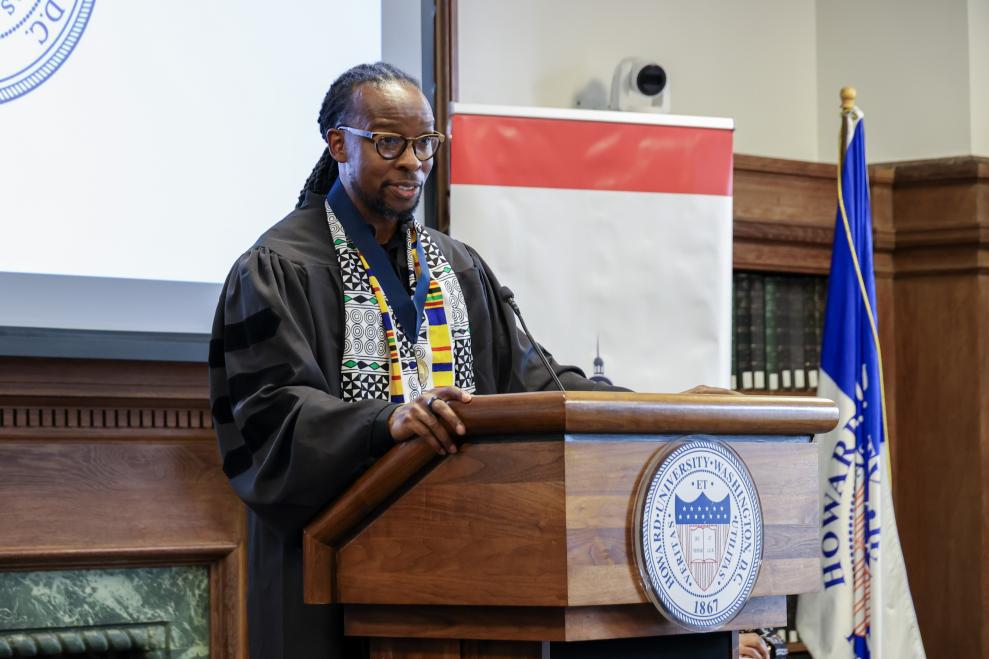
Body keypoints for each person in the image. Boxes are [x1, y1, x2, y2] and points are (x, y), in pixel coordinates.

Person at [208, 62, 621, 659]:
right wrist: (385, 423)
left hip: (470, 560)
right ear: (337, 144)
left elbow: (533, 382)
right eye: (389, 142)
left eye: (425, 143)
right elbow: (271, 414)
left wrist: (649, 408)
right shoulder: (277, 268)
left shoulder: (457, 266)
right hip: (330, 572)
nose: (413, 161)